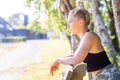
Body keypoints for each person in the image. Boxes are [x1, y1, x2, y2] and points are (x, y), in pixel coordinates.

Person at [50, 8, 120, 80]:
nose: (69, 26)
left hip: (112, 77)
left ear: (80, 22)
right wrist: (58, 60)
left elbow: (75, 60)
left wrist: (58, 60)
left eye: (71, 22)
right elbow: (76, 56)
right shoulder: (85, 38)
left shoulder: (89, 36)